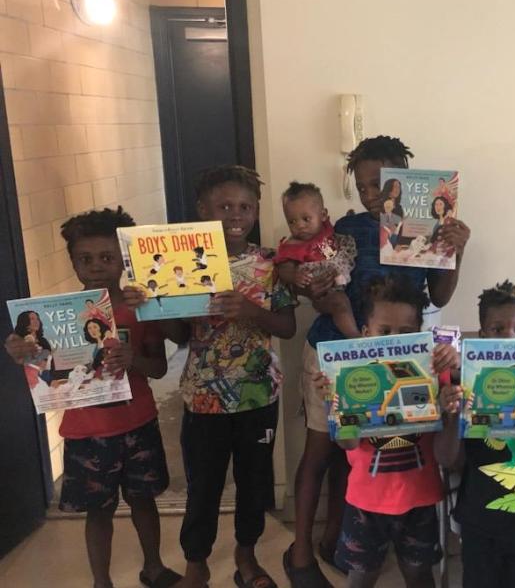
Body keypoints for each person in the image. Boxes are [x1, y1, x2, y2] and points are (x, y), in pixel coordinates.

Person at [286, 136, 471, 588]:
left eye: (383, 185)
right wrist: (305, 280)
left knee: (374, 448)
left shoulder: (427, 225)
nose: (373, 195)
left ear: (406, 181)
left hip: (400, 352)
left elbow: (440, 296)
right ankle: (303, 553)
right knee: (322, 452)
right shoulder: (345, 229)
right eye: (364, 186)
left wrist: (456, 249)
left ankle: (343, 541)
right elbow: (295, 259)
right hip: (338, 350)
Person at [125, 165, 297, 588]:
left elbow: (288, 327)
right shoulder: (182, 265)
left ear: (256, 211)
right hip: (203, 398)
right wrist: (155, 305)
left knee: (255, 482)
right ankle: (197, 563)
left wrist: (252, 311)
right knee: (203, 485)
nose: (236, 215)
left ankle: (246, 555)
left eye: (245, 207)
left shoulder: (269, 264)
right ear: (203, 210)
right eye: (224, 206)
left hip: (259, 397)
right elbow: (179, 335)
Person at [4, 207, 180, 588]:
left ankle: (153, 567)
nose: (97, 266)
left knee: (144, 501)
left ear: (122, 259)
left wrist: (134, 359)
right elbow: (45, 369)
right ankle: (102, 582)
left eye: (106, 257)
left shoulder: (140, 308)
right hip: (86, 433)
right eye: (86, 259)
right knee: (97, 512)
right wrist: (21, 351)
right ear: (73, 263)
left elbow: (161, 369)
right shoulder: (55, 319)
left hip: (138, 423)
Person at [310, 275, 458, 587]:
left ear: (419, 335)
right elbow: (348, 443)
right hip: (366, 501)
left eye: (405, 333)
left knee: (419, 575)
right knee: (361, 577)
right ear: (365, 334)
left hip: (420, 498)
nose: (393, 341)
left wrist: (451, 375)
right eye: (384, 331)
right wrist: (335, 404)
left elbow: (449, 450)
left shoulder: (435, 372)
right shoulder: (348, 378)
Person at [434, 280, 515, 588]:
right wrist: (452, 417)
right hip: (480, 525)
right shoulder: (465, 389)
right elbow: (448, 460)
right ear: (481, 336)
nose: (508, 339)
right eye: (497, 329)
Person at [275, 182, 359, 339]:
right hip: (323, 293)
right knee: (340, 303)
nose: (299, 226)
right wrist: (294, 276)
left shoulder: (326, 228)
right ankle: (355, 337)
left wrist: (350, 217)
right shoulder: (293, 245)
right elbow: (283, 268)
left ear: (323, 215)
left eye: (306, 219)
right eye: (292, 221)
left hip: (340, 277)